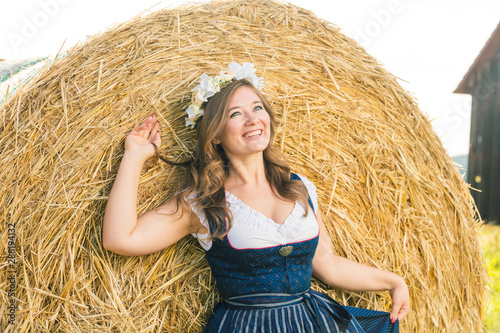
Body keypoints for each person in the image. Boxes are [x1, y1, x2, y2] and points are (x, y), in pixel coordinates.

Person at [102, 62, 410, 332]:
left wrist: (394, 281)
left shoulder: (300, 187)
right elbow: (121, 239)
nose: (252, 119)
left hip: (314, 323)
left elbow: (327, 264)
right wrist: (135, 156)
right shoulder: (202, 202)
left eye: (257, 108)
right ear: (216, 134)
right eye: (235, 113)